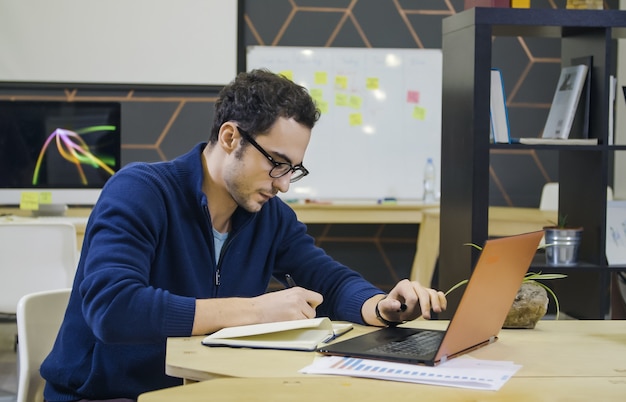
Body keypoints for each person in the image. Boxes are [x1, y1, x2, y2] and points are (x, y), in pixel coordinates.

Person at [40, 69, 447, 401]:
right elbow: (113, 309)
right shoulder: (140, 192)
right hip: (103, 394)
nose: (284, 184)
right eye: (277, 163)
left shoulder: (269, 215)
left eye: (294, 170)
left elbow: (329, 280)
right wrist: (255, 311)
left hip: (202, 390)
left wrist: (382, 306)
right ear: (230, 137)